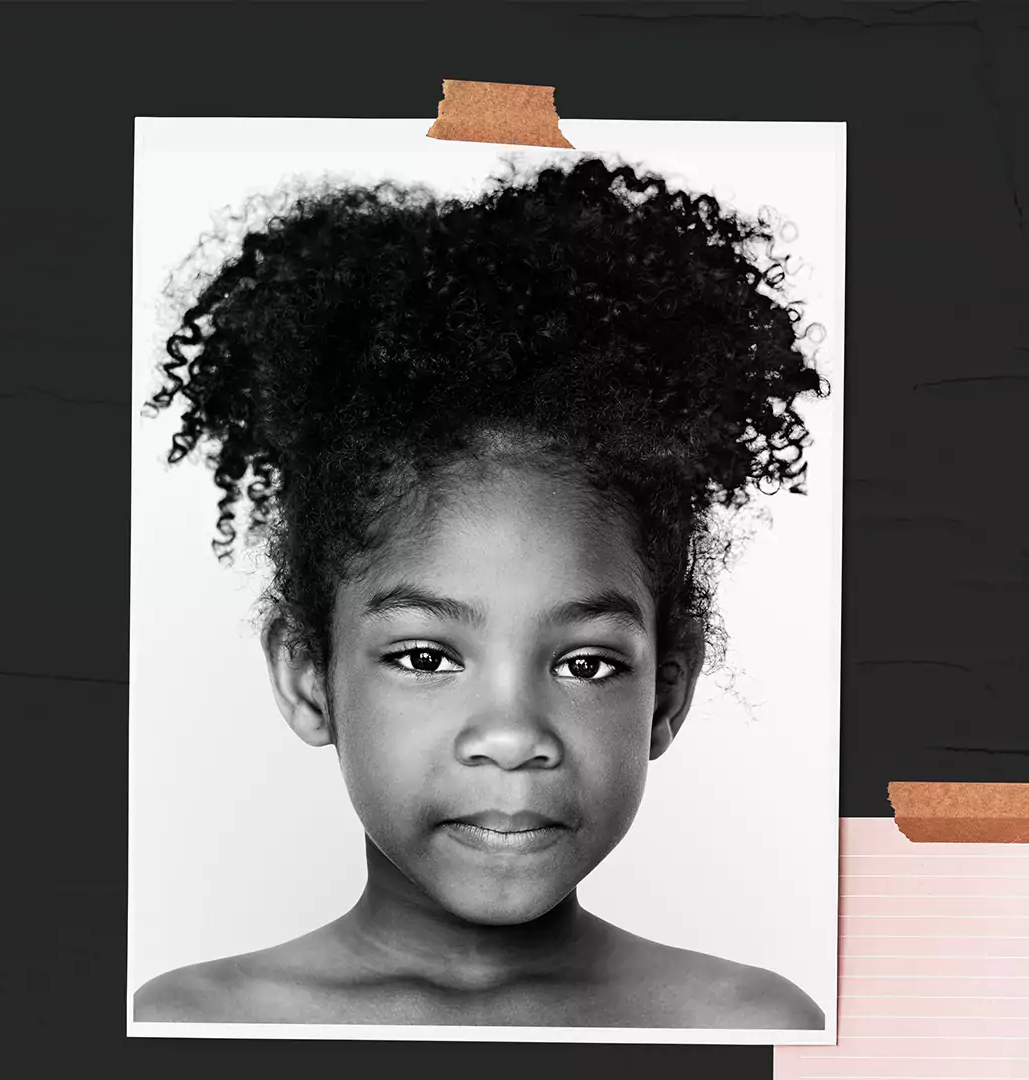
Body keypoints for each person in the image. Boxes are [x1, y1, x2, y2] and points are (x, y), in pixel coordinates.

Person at [133, 155, 827, 1029]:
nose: (511, 737)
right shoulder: (192, 1023)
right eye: (425, 656)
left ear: (669, 691)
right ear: (309, 674)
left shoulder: (750, 1026)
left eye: (585, 663)